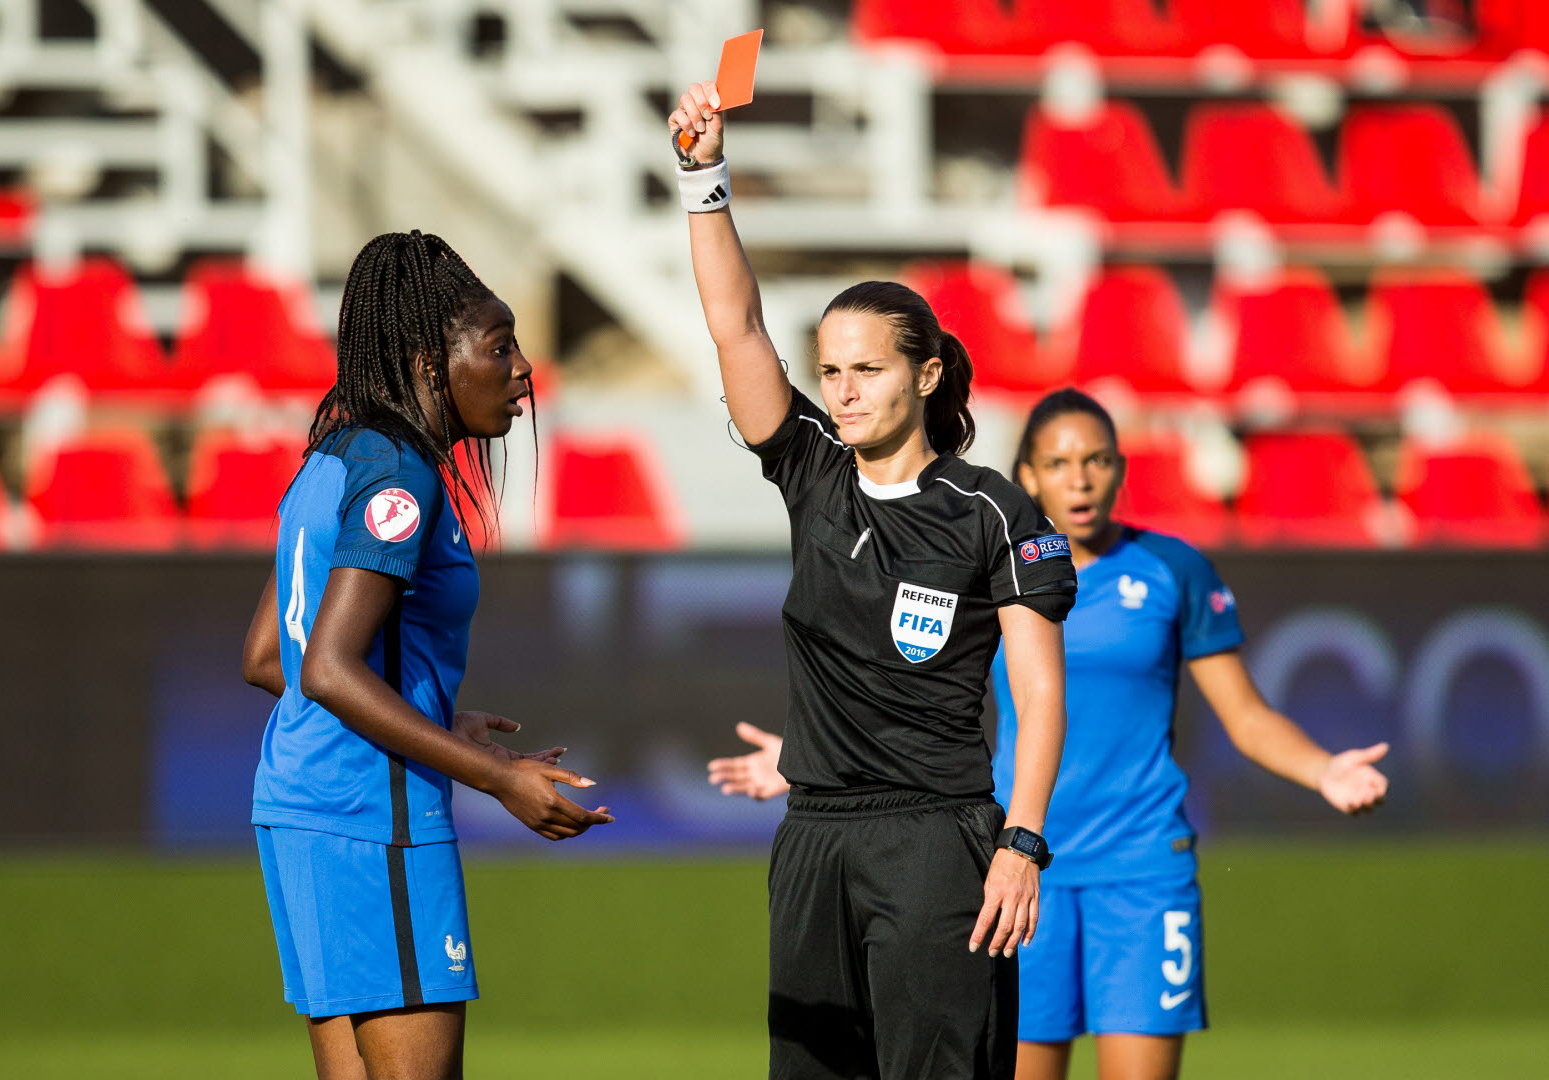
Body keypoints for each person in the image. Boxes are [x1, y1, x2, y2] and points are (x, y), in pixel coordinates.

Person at [709, 387, 1391, 1080]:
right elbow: (913, 700)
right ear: (1027, 477)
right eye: (1058, 463)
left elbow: (1246, 715)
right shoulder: (983, 556)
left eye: (1096, 460)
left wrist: (1322, 770)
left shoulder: (1172, 569)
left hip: (1142, 869)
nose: (1081, 478)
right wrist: (804, 764)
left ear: (1120, 468)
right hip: (1014, 867)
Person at [669, 83, 1078, 1080]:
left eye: (867, 370)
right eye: (832, 371)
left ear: (927, 374)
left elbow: (1036, 691)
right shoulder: (811, 471)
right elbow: (735, 328)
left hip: (939, 843)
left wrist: (1020, 842)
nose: (842, 391)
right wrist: (701, 175)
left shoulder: (990, 510)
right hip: (812, 841)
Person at [241, 230, 614, 1080]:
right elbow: (327, 667)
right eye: (499, 346)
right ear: (427, 362)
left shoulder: (332, 455)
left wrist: (436, 716)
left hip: (298, 812)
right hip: (375, 822)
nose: (523, 368)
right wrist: (499, 778)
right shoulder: (400, 478)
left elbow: (270, 655)